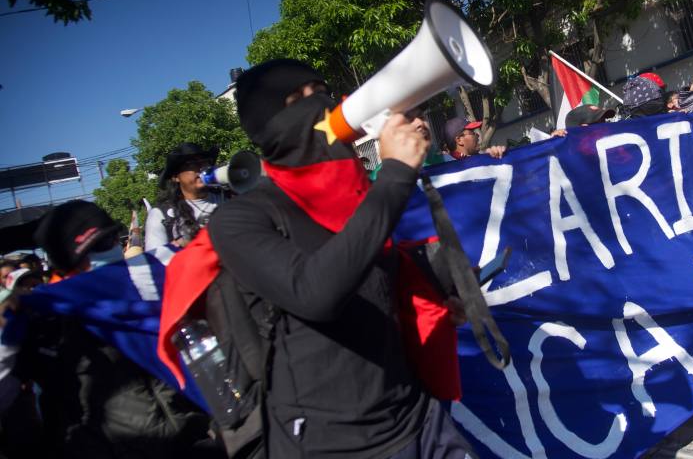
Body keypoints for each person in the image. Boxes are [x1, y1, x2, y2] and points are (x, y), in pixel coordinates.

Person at [206, 59, 475, 458]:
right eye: (299, 99)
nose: (322, 106)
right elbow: (315, 292)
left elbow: (374, 277)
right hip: (332, 446)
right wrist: (396, 175)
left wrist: (432, 303)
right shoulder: (240, 218)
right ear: (267, 124)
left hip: (418, 419)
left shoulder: (351, 195)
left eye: (321, 92)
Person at [25, 201, 214, 458]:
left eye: (113, 239)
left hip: (197, 434)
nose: (113, 250)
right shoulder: (47, 322)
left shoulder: (150, 282)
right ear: (69, 262)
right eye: (100, 247)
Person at [145, 143, 224, 250]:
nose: (201, 168)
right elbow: (157, 261)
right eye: (192, 164)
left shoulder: (227, 198)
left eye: (205, 162)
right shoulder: (161, 215)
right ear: (176, 177)